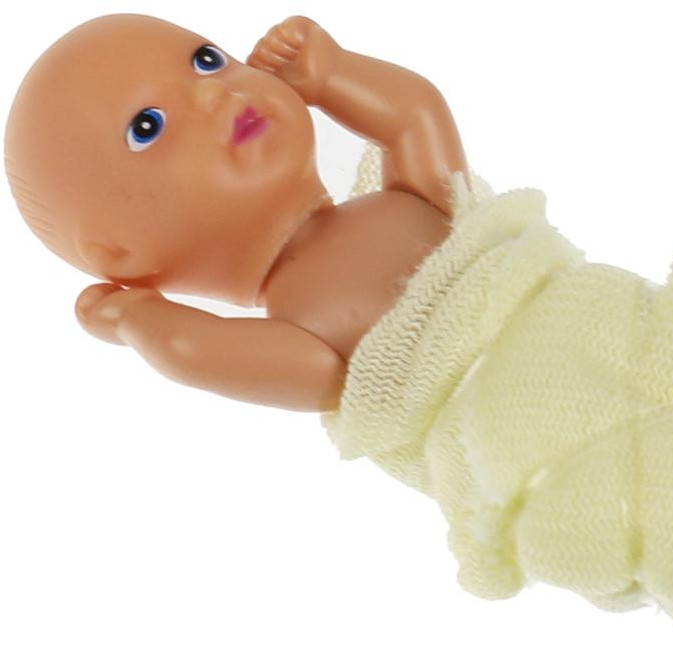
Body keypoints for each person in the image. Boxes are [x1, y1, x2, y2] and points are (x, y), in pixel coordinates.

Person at [4, 13, 470, 412]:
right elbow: (195, 349)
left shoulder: (424, 200)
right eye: (148, 126)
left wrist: (332, 72)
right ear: (117, 252)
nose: (211, 94)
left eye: (207, 61)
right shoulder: (309, 338)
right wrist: (138, 319)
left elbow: (416, 119)